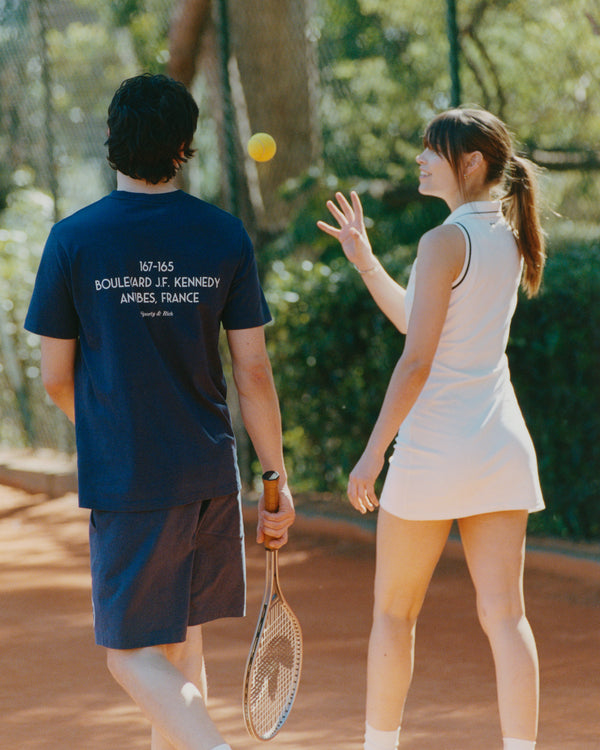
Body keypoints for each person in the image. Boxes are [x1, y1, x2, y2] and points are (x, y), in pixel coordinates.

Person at [25, 73, 295, 750]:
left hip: (130, 473)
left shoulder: (72, 239)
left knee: (129, 654)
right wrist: (275, 476)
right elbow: (253, 371)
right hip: (207, 470)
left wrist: (109, 429)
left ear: (112, 144)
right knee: (180, 653)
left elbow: (55, 376)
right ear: (185, 146)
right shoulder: (224, 235)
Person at [317, 107, 545, 750]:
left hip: (433, 452)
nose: (420, 158)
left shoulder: (444, 241)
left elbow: (417, 360)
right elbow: (423, 329)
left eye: (432, 149)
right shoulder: (506, 232)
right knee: (507, 618)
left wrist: (370, 455)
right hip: (499, 446)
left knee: (393, 613)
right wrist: (364, 260)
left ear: (470, 163)